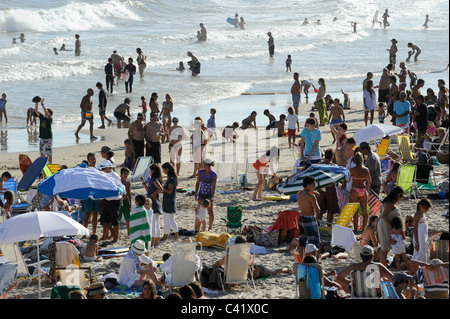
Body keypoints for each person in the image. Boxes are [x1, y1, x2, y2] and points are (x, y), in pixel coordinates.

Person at [377, 186, 405, 267]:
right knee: (385, 247)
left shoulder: (391, 203)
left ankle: (384, 266)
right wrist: (390, 227)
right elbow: (384, 216)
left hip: (388, 225)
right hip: (386, 225)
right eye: (400, 196)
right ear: (396, 194)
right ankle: (383, 267)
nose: (401, 198)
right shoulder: (389, 204)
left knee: (387, 246)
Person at [296, 176, 321, 262]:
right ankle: (315, 260)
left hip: (302, 218)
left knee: (302, 241)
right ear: (308, 184)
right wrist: (316, 199)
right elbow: (317, 210)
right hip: (310, 219)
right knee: (314, 241)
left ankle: (301, 259)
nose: (315, 186)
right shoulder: (311, 196)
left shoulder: (299, 193)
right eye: (313, 184)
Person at [97, 160, 122, 243]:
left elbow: (118, 187)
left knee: (115, 220)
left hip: (115, 200)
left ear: (108, 168)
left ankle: (115, 238)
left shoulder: (114, 176)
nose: (102, 170)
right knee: (104, 220)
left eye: (103, 169)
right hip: (108, 200)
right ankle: (113, 233)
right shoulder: (105, 175)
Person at [348, 152, 371, 232]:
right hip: (363, 190)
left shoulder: (352, 170)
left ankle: (355, 229)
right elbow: (369, 181)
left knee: (355, 211)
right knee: (365, 211)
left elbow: (347, 180)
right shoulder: (366, 170)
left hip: (354, 189)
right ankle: (364, 228)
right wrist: (366, 189)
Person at [316, 149, 340, 225]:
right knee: (331, 210)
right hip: (330, 188)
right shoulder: (334, 166)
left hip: (320, 189)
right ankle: (329, 226)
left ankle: (318, 226)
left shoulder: (318, 165)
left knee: (319, 210)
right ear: (332, 157)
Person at [143, 164, 163, 247]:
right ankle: (156, 243)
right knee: (156, 224)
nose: (149, 172)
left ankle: (153, 243)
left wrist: (154, 194)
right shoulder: (153, 180)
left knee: (154, 224)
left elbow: (161, 189)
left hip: (154, 203)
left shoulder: (154, 180)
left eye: (150, 171)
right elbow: (149, 191)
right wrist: (144, 183)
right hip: (155, 203)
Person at [195, 158, 217, 230]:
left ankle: (210, 227)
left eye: (205, 165)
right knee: (200, 210)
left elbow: (213, 186)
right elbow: (198, 183)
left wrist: (212, 196)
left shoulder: (213, 175)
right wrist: (196, 193)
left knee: (210, 211)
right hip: (201, 193)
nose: (204, 166)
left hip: (208, 194)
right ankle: (198, 227)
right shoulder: (200, 172)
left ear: (209, 165)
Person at [81, 153, 100, 233]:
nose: (94, 160)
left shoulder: (98, 170)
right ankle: (85, 232)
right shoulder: (86, 170)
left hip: (96, 194)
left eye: (94, 158)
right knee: (86, 215)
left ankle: (94, 232)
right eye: (92, 159)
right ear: (88, 160)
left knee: (95, 214)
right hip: (88, 195)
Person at [161, 162, 179, 242]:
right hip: (171, 201)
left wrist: (162, 187)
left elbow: (169, 191)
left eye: (163, 169)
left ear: (167, 169)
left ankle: (165, 236)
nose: (163, 171)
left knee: (167, 221)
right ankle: (176, 236)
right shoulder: (173, 178)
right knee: (172, 220)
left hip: (168, 202)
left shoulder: (171, 179)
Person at [34, 97, 54, 164]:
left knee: (49, 154)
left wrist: (42, 104)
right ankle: (43, 166)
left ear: (50, 114)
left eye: (48, 112)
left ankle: (50, 165)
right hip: (42, 138)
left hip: (48, 139)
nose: (46, 112)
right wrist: (36, 103)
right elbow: (36, 111)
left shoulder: (49, 119)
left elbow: (46, 114)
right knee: (42, 155)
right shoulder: (42, 118)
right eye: (47, 111)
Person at [412, 198, 432, 263]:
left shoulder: (423, 214)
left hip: (424, 238)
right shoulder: (417, 215)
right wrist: (417, 242)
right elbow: (415, 229)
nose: (427, 210)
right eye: (426, 208)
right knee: (419, 253)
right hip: (419, 238)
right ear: (420, 206)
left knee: (425, 252)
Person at [119, 167, 132, 234]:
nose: (126, 175)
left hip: (126, 201)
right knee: (118, 217)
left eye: (127, 173)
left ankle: (129, 232)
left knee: (127, 218)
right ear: (121, 174)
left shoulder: (128, 183)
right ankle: (116, 232)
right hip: (120, 201)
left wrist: (130, 204)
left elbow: (129, 194)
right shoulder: (118, 182)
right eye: (124, 173)